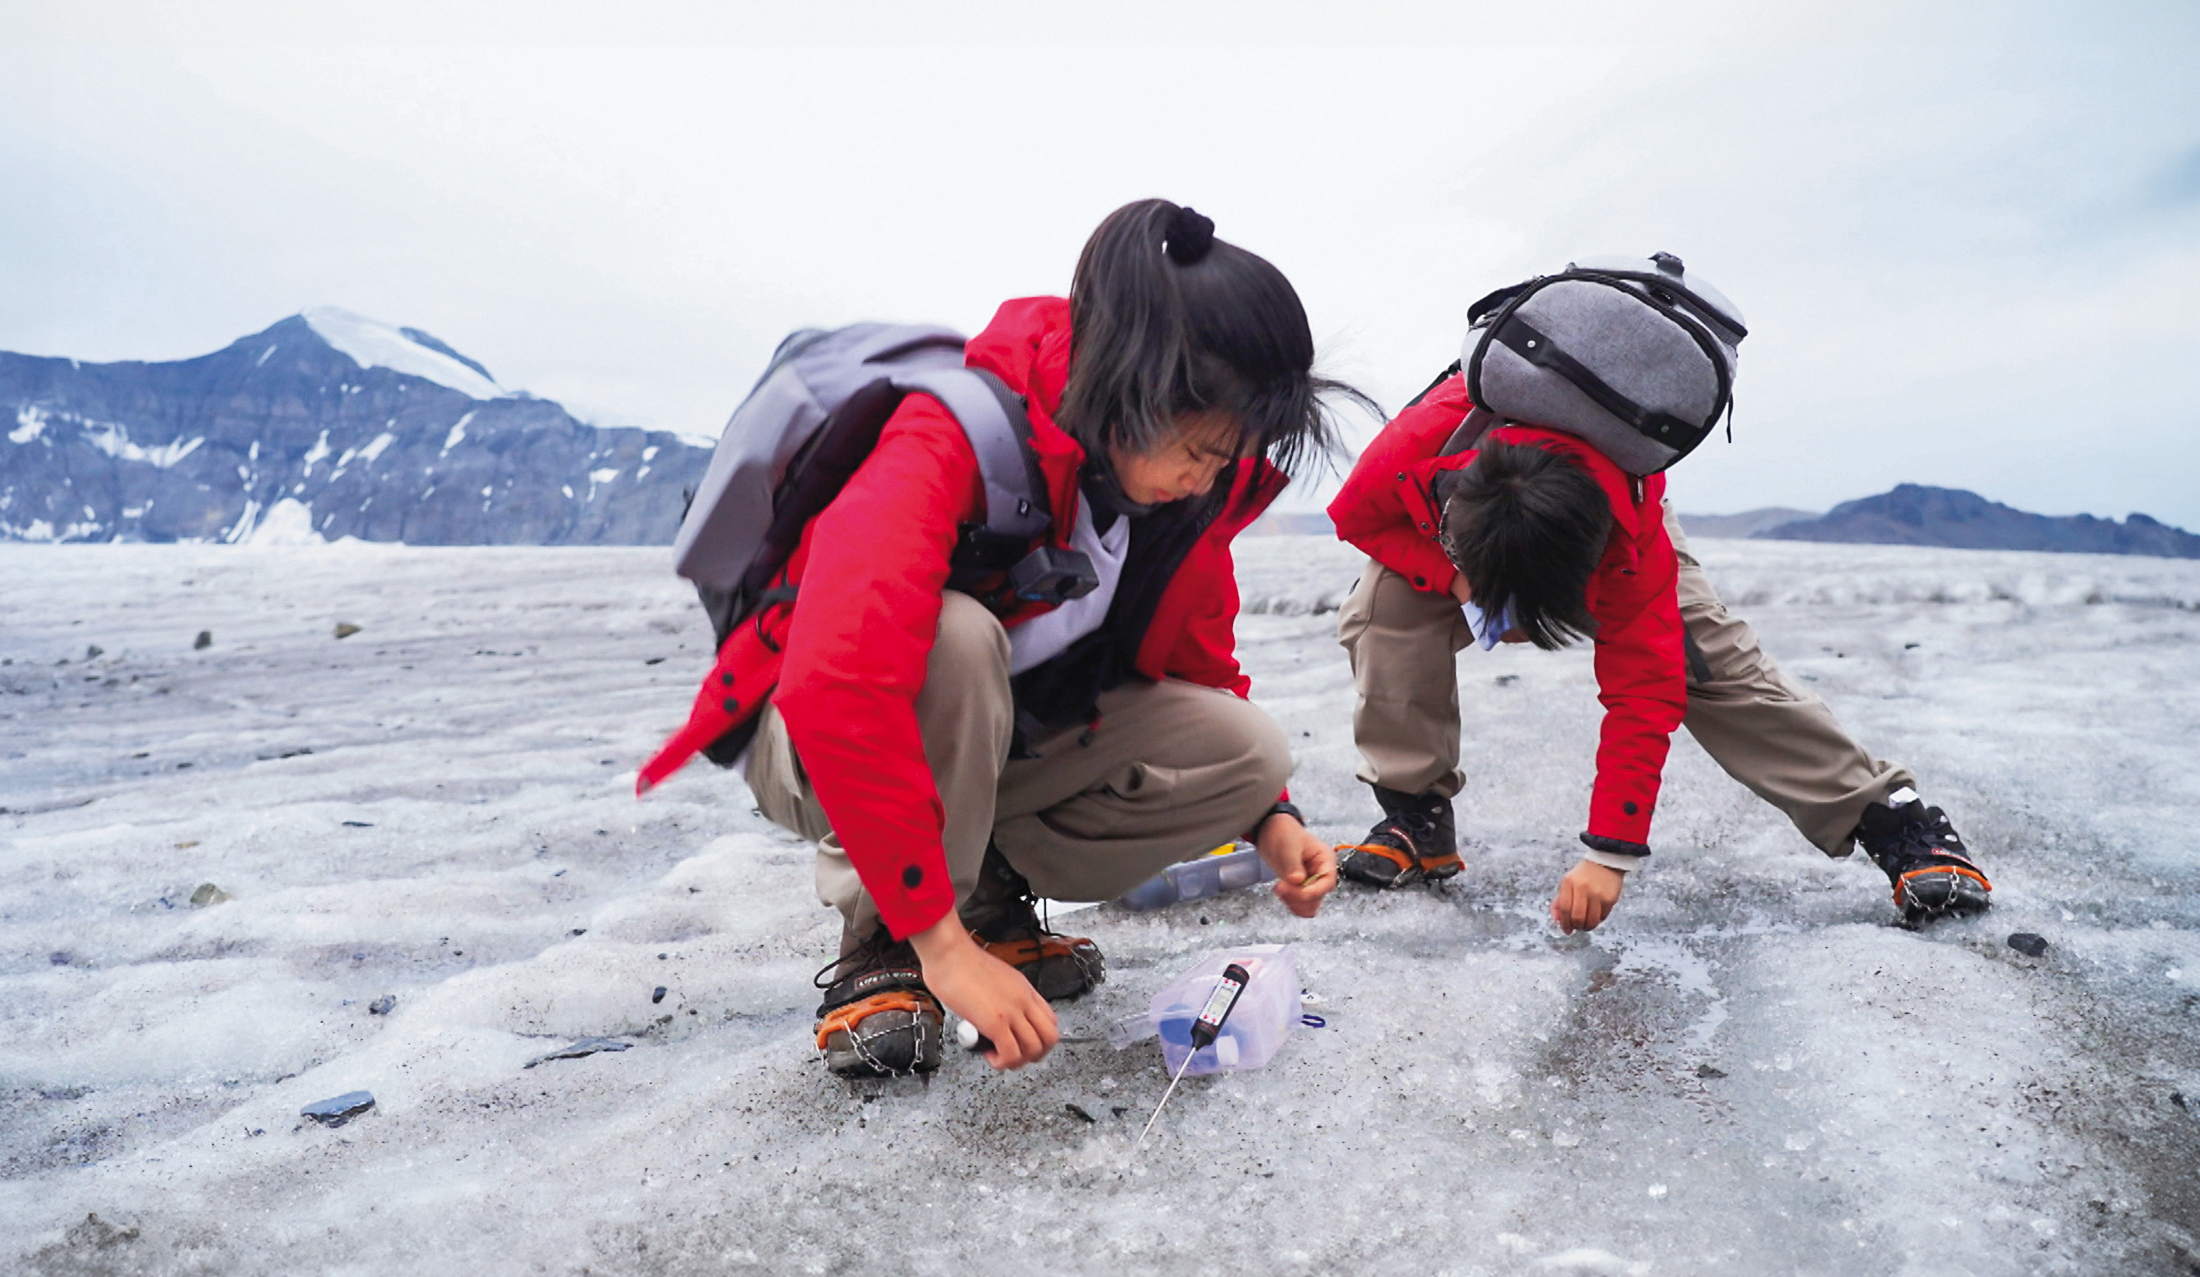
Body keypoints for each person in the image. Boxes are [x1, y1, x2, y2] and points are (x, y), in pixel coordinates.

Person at [646, 200, 1348, 1079]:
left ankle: (986, 898)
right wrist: (937, 945)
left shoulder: (1171, 496)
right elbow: (839, 681)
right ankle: (886, 940)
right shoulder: (949, 438)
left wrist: (1271, 816)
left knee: (1246, 749)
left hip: (986, 743)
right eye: (1201, 451)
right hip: (810, 737)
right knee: (953, 638)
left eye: (1225, 458)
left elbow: (1198, 664)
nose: (1207, 479)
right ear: (1138, 388)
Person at [1328, 371, 1992, 929]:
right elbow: (1354, 516)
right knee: (1381, 611)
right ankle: (1415, 817)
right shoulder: (1420, 445)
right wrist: (1459, 580)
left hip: (1597, 516)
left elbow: (1644, 692)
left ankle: (1889, 819)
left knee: (1702, 658)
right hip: (1454, 537)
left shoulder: (1628, 543)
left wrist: (1609, 853)